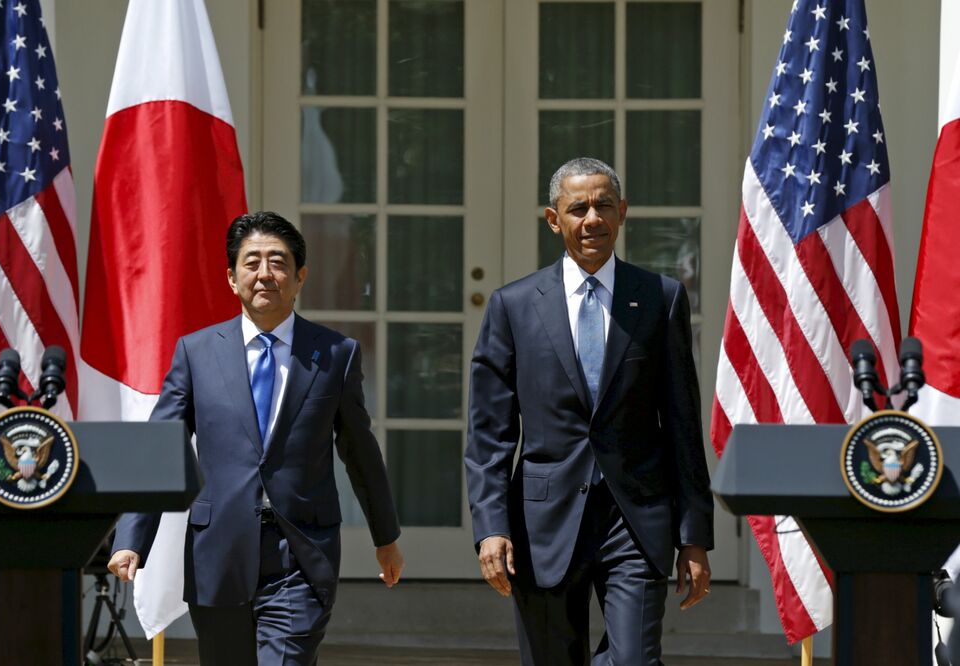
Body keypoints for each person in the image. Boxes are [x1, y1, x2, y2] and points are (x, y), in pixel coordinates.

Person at [108, 211, 404, 666]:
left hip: (301, 555)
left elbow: (359, 450)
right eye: (251, 263)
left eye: (278, 262)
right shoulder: (197, 352)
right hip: (218, 553)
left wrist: (385, 536)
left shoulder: (335, 355)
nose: (265, 274)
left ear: (300, 276)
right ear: (231, 278)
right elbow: (161, 446)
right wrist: (132, 536)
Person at [465, 158, 713, 665]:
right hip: (542, 521)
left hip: (637, 517)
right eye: (577, 208)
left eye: (603, 205)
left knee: (635, 661)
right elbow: (489, 433)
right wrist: (491, 527)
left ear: (621, 213)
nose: (592, 218)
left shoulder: (660, 298)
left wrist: (694, 537)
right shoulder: (512, 306)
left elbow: (683, 423)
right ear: (554, 220)